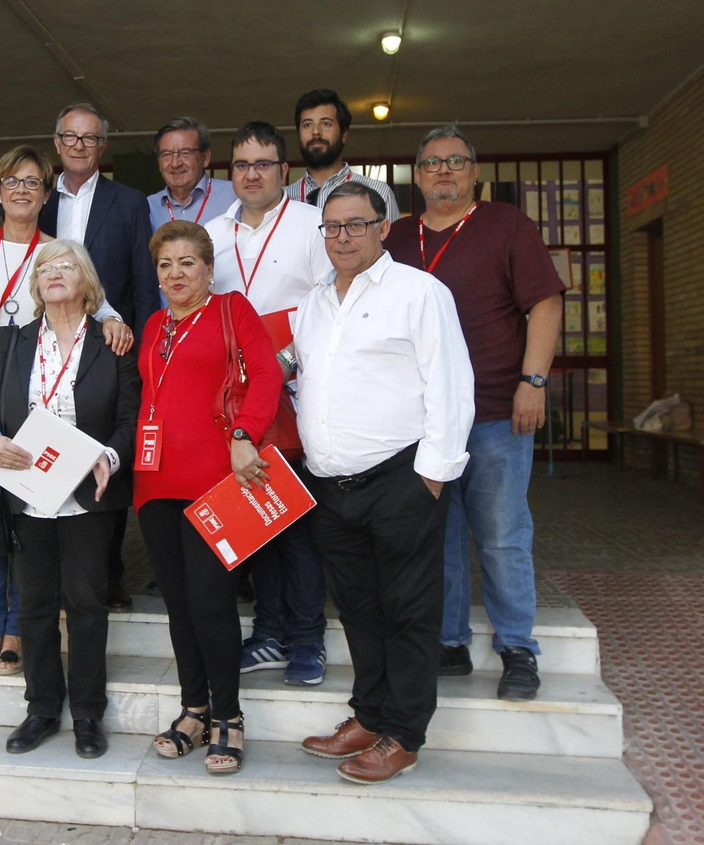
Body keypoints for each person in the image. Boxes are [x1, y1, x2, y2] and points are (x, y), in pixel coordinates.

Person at [294, 182, 474, 784]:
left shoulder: (419, 293)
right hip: (331, 487)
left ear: (383, 228)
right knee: (359, 611)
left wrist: (431, 478)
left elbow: (451, 387)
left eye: (355, 224)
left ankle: (403, 734)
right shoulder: (314, 302)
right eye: (332, 226)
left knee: (408, 613)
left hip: (400, 482)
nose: (342, 236)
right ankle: (368, 717)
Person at [0, 145, 133, 677]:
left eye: (32, 182)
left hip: (44, 413)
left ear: (47, 195)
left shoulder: (58, 253)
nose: (21, 190)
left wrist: (112, 320)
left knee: (32, 514)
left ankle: (21, 626)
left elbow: (96, 298)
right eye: (11, 182)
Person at [385, 125, 565, 702]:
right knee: (437, 536)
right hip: (421, 420)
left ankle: (518, 648)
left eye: (456, 162)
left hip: (493, 410)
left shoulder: (507, 225)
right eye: (433, 163)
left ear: (475, 173)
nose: (444, 171)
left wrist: (532, 381)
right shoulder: (395, 238)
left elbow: (545, 302)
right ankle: (449, 641)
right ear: (417, 176)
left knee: (502, 533)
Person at [0, 240, 141, 759]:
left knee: (87, 603)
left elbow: (130, 417)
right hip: (27, 489)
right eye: (46, 268)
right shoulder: (11, 342)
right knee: (36, 605)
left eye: (67, 266)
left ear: (87, 283)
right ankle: (41, 707)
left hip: (88, 492)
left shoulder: (114, 343)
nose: (55, 274)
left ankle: (87, 713)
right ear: (36, 285)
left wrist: (109, 456)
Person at [135, 220, 282, 776]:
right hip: (155, 481)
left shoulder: (231, 310)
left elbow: (266, 375)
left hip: (216, 478)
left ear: (208, 268)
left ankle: (229, 716)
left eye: (187, 263)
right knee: (177, 600)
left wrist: (244, 435)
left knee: (211, 599)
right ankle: (193, 708)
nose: (176, 273)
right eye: (165, 265)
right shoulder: (151, 325)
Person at [205, 121, 332, 686]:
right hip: (236, 403)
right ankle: (270, 631)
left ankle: (308, 639)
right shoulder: (212, 232)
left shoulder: (311, 226)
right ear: (229, 172)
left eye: (263, 163)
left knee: (297, 525)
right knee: (258, 518)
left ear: (285, 169)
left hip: (297, 391)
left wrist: (277, 365)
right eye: (241, 165)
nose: (251, 173)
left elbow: (330, 306)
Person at [37, 102, 156, 612]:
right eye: (70, 136)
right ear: (58, 143)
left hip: (110, 345)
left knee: (104, 452)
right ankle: (54, 574)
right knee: (51, 449)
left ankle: (108, 575)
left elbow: (142, 281)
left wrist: (143, 346)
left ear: (102, 146)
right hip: (49, 344)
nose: (79, 145)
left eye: (90, 138)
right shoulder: (38, 200)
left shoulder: (128, 202)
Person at [286, 88, 400, 221]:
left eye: (326, 124)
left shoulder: (379, 193)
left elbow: (393, 242)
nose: (316, 131)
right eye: (307, 125)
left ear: (344, 135)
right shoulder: (283, 199)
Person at [147, 116, 237, 232]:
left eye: (185, 153)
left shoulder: (234, 196)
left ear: (205, 157)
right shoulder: (148, 207)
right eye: (167, 154)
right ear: (159, 162)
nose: (175, 163)